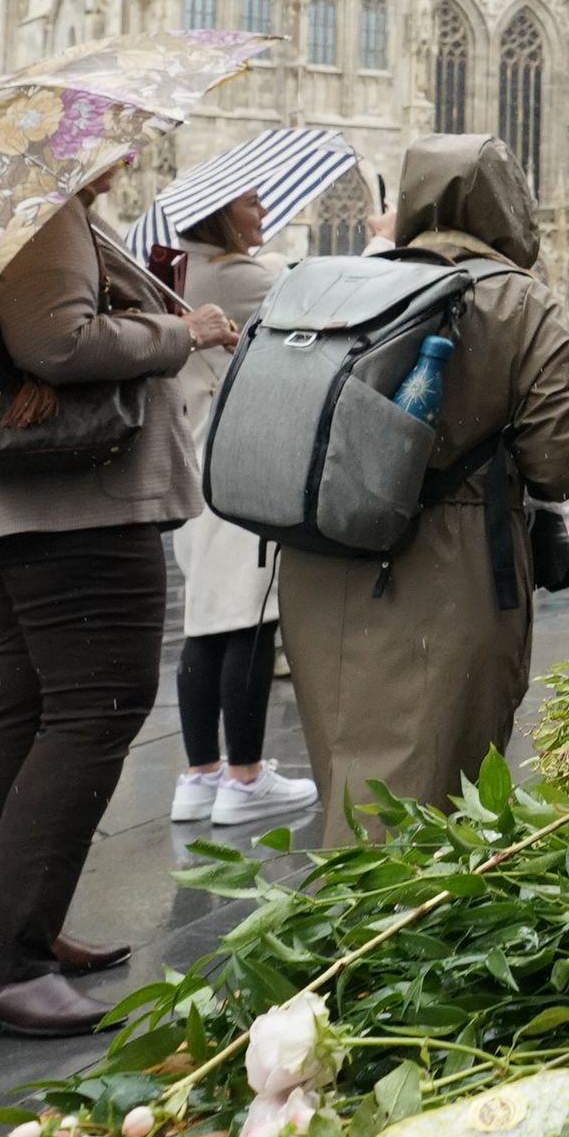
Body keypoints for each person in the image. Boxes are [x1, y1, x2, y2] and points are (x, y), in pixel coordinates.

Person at [0, 170, 242, 1039]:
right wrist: (176, 328)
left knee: (29, 707)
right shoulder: (44, 214)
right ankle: (3, 963)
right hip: (76, 502)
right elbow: (54, 342)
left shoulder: (34, 213)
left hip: (42, 502)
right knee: (93, 708)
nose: (128, 149)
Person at [277, 136, 569, 844]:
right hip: (449, 561)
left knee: (348, 766)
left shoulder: (346, 279)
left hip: (321, 550)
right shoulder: (520, 301)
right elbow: (559, 462)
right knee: (434, 788)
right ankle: (392, 938)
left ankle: (339, 926)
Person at [164, 193, 316, 828]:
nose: (262, 217)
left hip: (195, 461)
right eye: (252, 208)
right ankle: (246, 777)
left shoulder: (181, 271)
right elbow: (316, 309)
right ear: (222, 214)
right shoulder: (238, 274)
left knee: (206, 622)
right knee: (252, 619)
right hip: (239, 457)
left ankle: (202, 775)